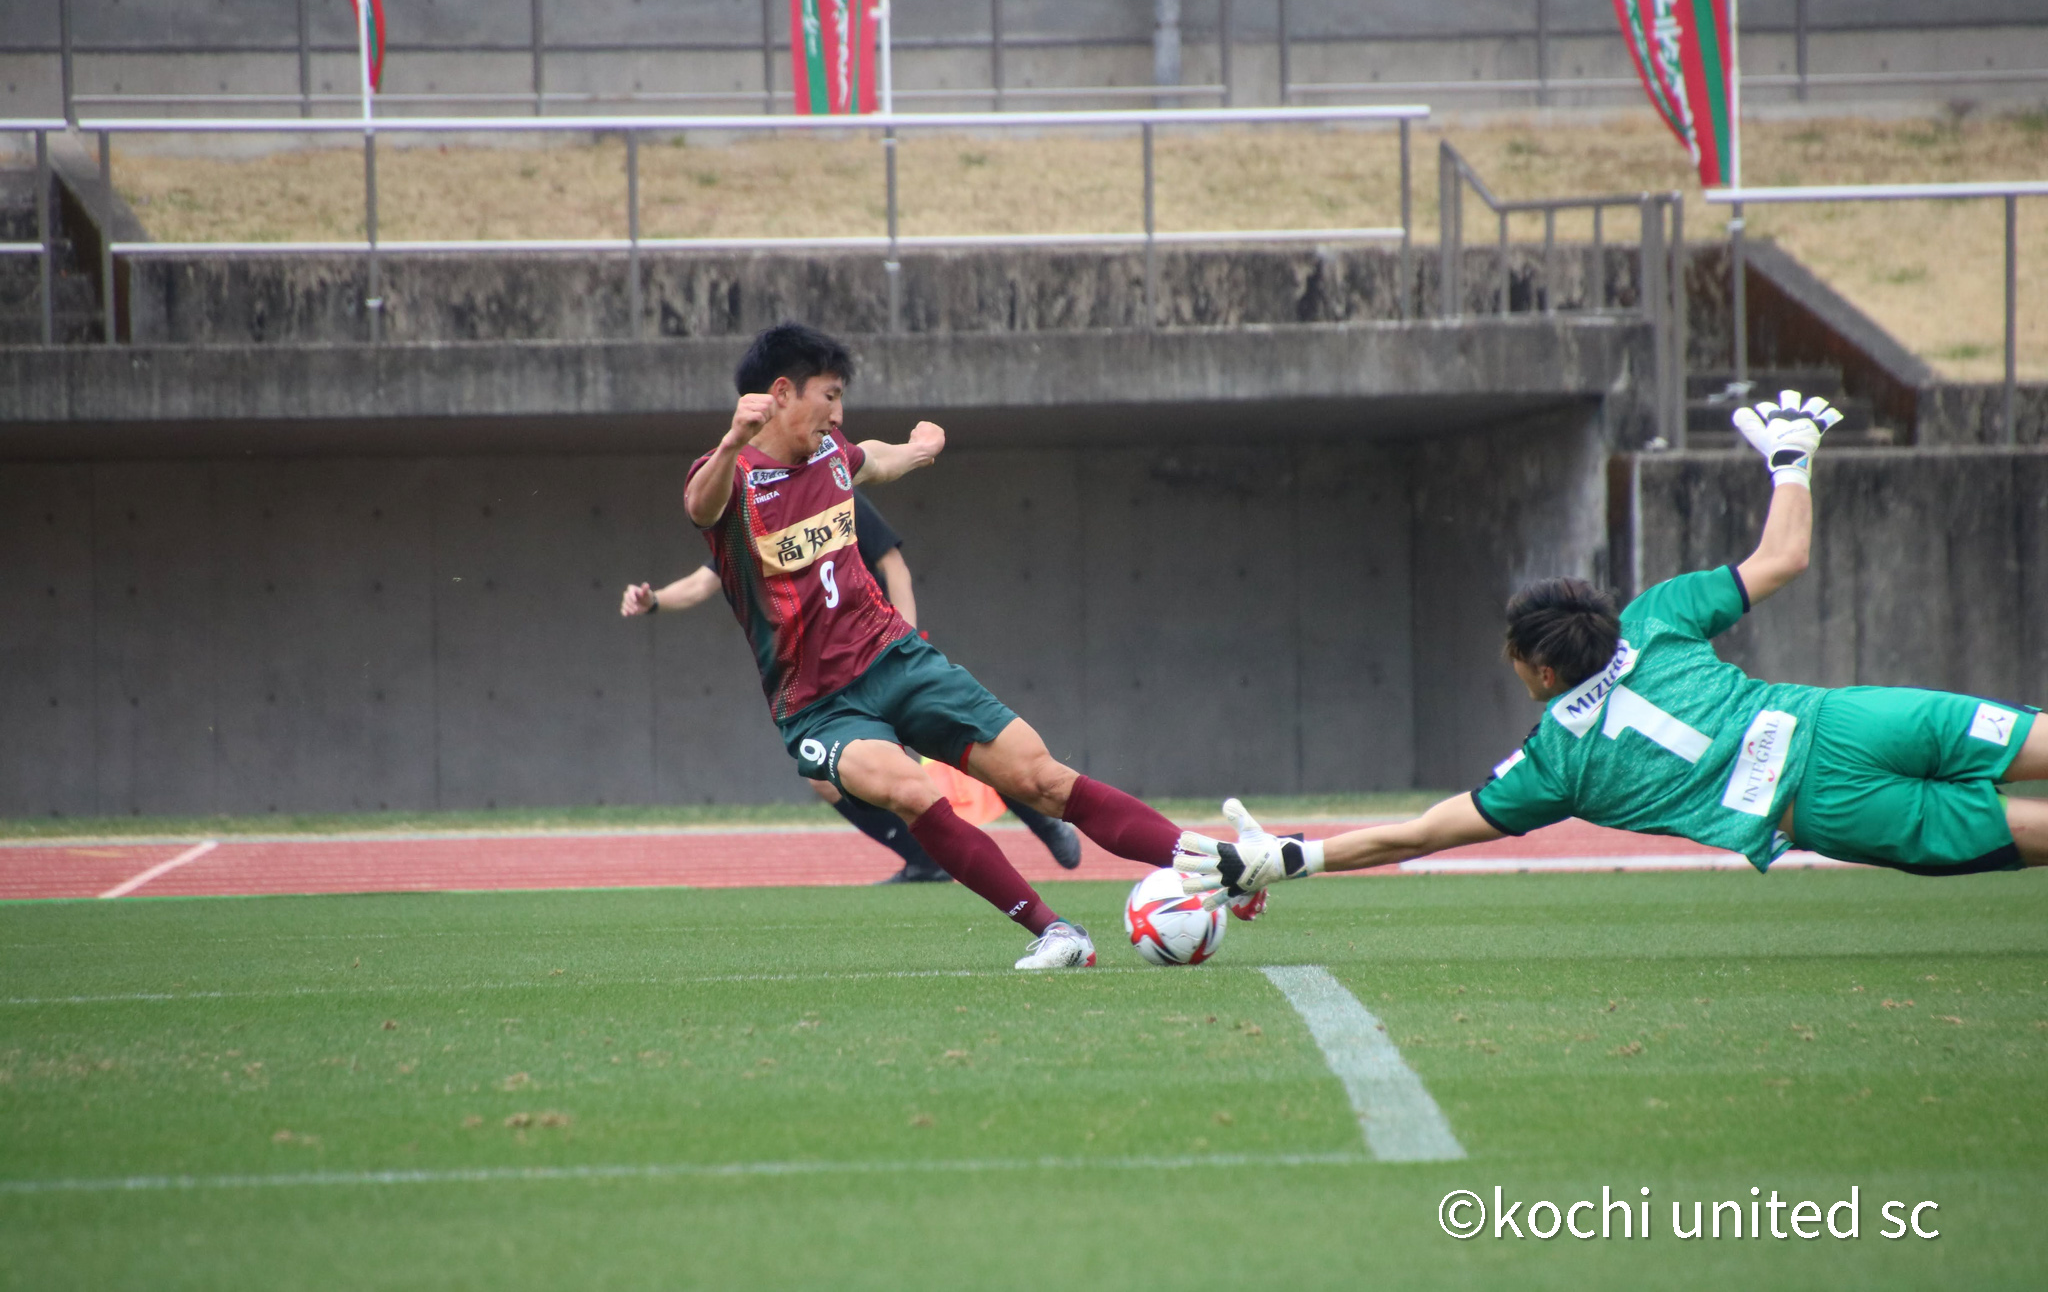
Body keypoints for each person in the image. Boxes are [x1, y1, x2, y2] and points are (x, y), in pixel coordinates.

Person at [1177, 390, 2047, 904]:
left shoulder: (1557, 764)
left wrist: (1292, 857)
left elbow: (1422, 832)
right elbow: (1784, 557)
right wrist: (1790, 459)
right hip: (1852, 719)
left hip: (1823, 807)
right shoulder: (1656, 618)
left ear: (1543, 670)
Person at [683, 322, 1251, 969]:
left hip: (896, 659)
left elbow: (875, 457)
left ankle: (1223, 867)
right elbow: (701, 505)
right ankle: (1056, 931)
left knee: (1042, 779)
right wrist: (731, 440)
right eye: (830, 396)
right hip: (820, 706)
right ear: (782, 392)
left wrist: (920, 449)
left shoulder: (832, 453)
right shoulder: (731, 476)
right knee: (910, 791)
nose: (838, 414)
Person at [622, 489, 1084, 883]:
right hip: (831, 678)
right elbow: (702, 583)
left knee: (953, 742)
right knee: (826, 778)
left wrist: (906, 647)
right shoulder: (753, 523)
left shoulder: (833, 487)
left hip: (884, 654)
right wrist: (654, 600)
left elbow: (894, 566)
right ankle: (925, 861)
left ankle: (1043, 822)